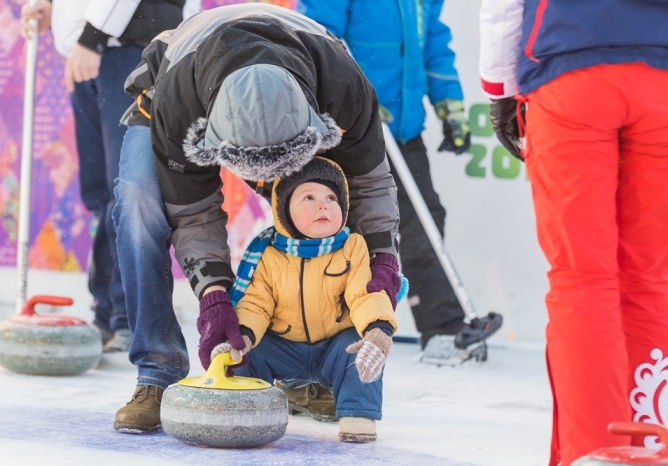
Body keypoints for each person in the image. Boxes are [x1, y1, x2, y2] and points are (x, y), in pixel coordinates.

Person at [112, 4, 401, 433]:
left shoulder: (344, 87)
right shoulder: (180, 104)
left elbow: (369, 187)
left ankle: (306, 366)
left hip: (308, 75)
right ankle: (157, 370)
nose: (259, 184)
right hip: (179, 84)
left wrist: (382, 258)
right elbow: (194, 213)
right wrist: (213, 297)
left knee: (316, 208)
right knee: (138, 201)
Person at [479, 1, 668, 464]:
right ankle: (651, 446)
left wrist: (500, 90)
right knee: (649, 276)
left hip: (573, 68)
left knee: (582, 278)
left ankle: (597, 450)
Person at [296, 0, 474, 348]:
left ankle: (441, 325)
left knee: (422, 218)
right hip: (352, 132)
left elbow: (435, 45)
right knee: (347, 229)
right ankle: (325, 330)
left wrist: (449, 105)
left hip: (402, 134)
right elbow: (313, 38)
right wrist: (357, 96)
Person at [19, 0, 194, 352]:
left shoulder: (101, 42)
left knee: (128, 190)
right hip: (96, 52)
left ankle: (128, 318)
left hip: (128, 49)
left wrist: (91, 37)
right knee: (101, 192)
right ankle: (107, 313)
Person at [213, 157, 399, 442]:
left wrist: (378, 330)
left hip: (334, 347)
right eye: (309, 197)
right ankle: (249, 409)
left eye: (331, 197)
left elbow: (363, 294)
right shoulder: (268, 252)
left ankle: (358, 414)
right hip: (285, 348)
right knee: (248, 350)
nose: (322, 205)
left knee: (360, 347)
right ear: (285, 210)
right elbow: (256, 304)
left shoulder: (352, 246)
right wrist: (245, 336)